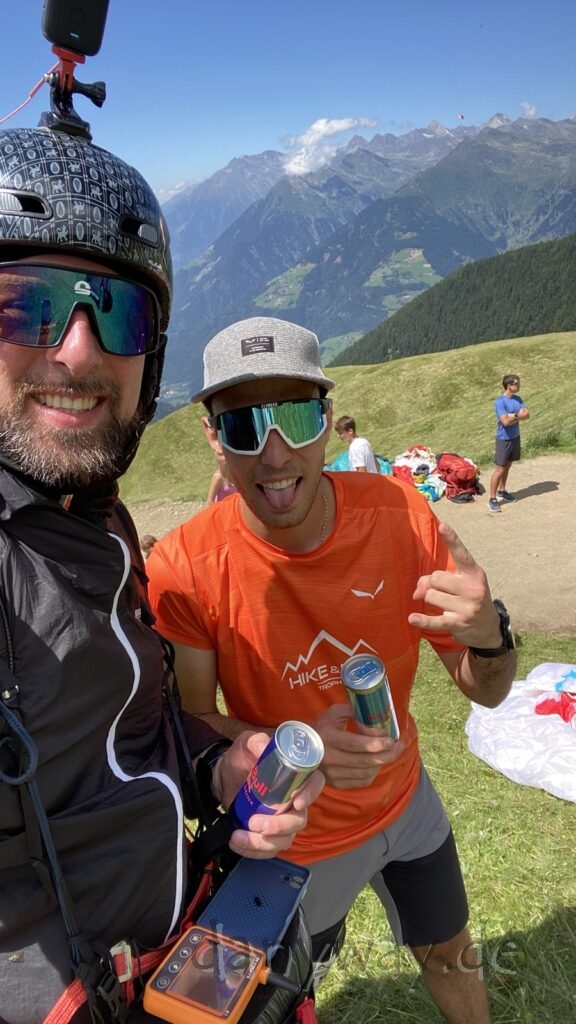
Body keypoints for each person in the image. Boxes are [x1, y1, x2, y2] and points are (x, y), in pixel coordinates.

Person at [0, 130, 323, 1024]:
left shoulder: (96, 516)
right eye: (24, 304)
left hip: (166, 962)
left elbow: (123, 726)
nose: (78, 352)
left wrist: (218, 763)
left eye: (119, 313)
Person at [147, 315, 517, 1024]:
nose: (275, 453)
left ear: (325, 421)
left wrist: (492, 639)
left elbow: (487, 692)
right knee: (263, 1005)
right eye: (245, 426)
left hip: (407, 803)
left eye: (295, 416)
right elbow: (193, 722)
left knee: (451, 952)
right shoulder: (185, 567)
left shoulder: (402, 517)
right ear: (214, 438)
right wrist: (292, 746)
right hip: (291, 844)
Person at [488, 374, 530, 512]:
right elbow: (505, 422)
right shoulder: (500, 402)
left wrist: (512, 416)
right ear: (509, 386)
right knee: (499, 469)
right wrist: (517, 415)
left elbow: (527, 415)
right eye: (517, 383)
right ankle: (492, 499)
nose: (519, 385)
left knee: (507, 466)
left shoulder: (518, 399)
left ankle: (502, 491)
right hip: (503, 439)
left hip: (515, 437)